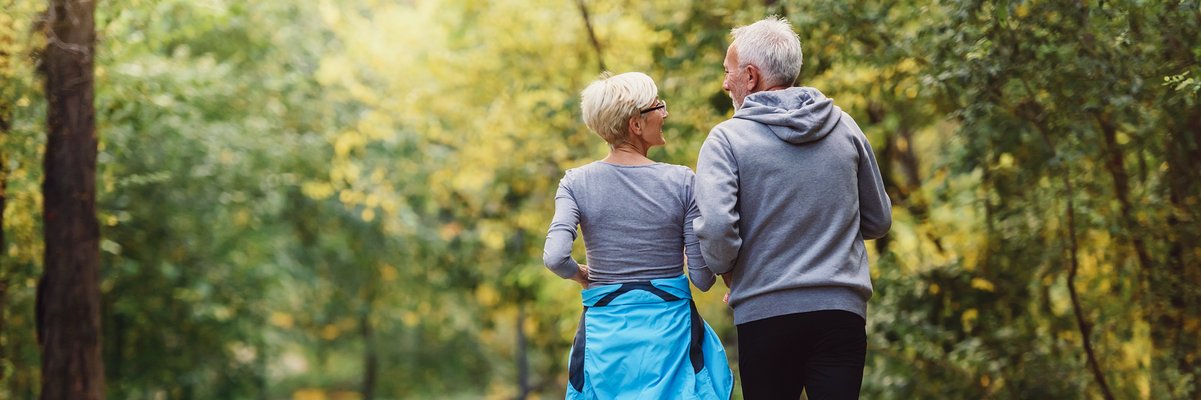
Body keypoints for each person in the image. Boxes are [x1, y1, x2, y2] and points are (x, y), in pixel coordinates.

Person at [694, 16, 893, 400]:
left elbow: (718, 229)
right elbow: (879, 218)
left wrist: (729, 269)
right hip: (841, 311)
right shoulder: (844, 126)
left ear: (750, 77)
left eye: (728, 72)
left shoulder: (726, 139)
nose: (725, 83)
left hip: (766, 312)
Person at [543, 72, 734, 399]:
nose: (664, 113)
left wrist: (582, 277)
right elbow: (702, 279)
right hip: (671, 337)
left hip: (605, 341)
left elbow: (555, 257)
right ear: (635, 124)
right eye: (658, 106)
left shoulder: (575, 183)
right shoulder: (682, 182)